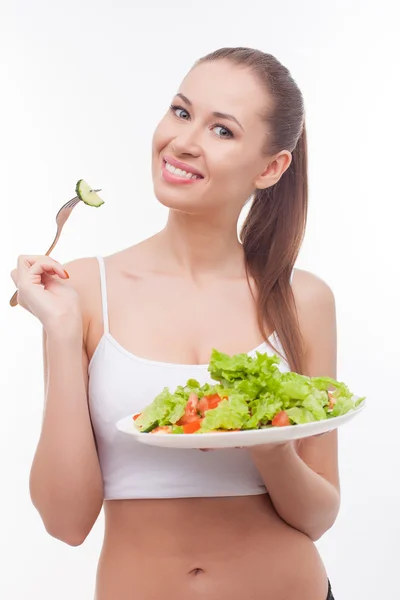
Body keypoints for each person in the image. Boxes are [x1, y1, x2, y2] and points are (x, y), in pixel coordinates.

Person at [11, 47, 338, 600]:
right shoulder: (86, 289)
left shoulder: (303, 299)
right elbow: (65, 524)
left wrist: (269, 445)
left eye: (223, 130)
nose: (183, 141)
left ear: (271, 167)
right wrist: (62, 334)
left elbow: (319, 515)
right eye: (182, 112)